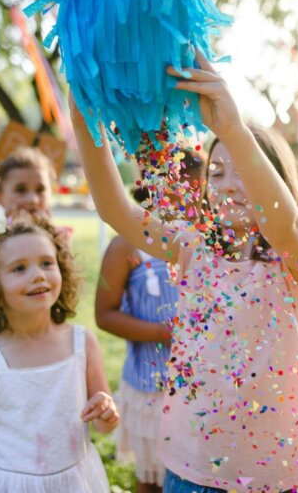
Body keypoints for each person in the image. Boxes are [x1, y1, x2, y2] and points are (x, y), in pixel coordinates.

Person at [71, 52, 298, 492]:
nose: (228, 184)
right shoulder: (191, 249)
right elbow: (115, 209)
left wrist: (231, 128)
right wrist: (83, 112)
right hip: (191, 464)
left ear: (277, 181)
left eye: (243, 172)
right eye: (217, 171)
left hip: (273, 467)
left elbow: (282, 224)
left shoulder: (295, 258)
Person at [0, 215, 118, 493]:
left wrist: (107, 411)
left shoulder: (82, 343)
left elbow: (102, 425)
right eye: (19, 268)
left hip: (78, 482)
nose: (38, 274)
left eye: (46, 263)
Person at [95, 149, 204, 493]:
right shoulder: (125, 246)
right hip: (151, 386)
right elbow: (104, 314)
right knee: (153, 479)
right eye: (177, 183)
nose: (187, 194)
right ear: (151, 184)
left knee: (199, 475)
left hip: (202, 386)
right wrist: (163, 332)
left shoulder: (204, 240)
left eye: (195, 186)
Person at [0, 147, 58, 352]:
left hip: (49, 333)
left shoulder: (58, 238)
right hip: (9, 335)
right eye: (20, 190)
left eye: (40, 189)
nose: (32, 199)